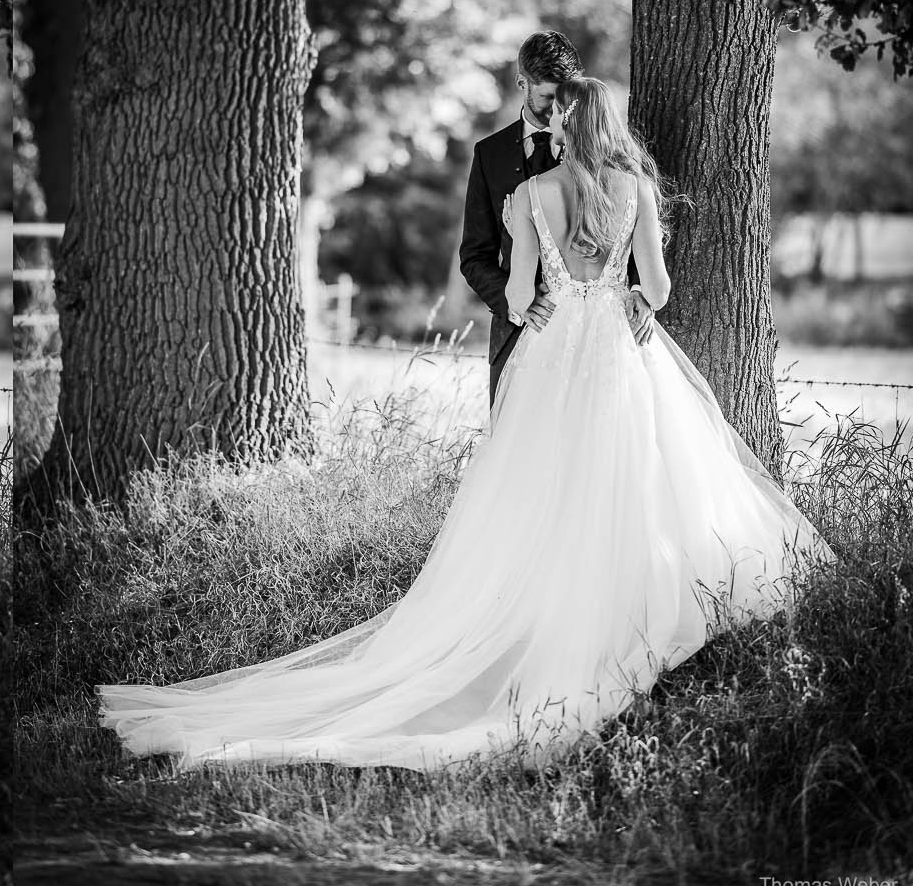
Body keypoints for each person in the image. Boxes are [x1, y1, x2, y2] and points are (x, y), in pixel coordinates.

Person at [98, 77, 828, 770]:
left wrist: (533, 306)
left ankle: (532, 619)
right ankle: (615, 616)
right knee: (629, 475)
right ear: (612, 126)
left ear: (562, 126)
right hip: (616, 347)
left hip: (553, 353)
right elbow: (659, 287)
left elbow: (516, 295)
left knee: (540, 486)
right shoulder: (635, 189)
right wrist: (635, 298)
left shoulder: (531, 193)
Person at [458, 31, 653, 401]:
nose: (559, 110)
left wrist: (641, 291)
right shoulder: (490, 155)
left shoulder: (609, 154)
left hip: (605, 337)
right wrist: (519, 302)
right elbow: (474, 255)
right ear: (522, 84)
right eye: (549, 98)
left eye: (565, 99)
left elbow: (634, 227)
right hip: (520, 335)